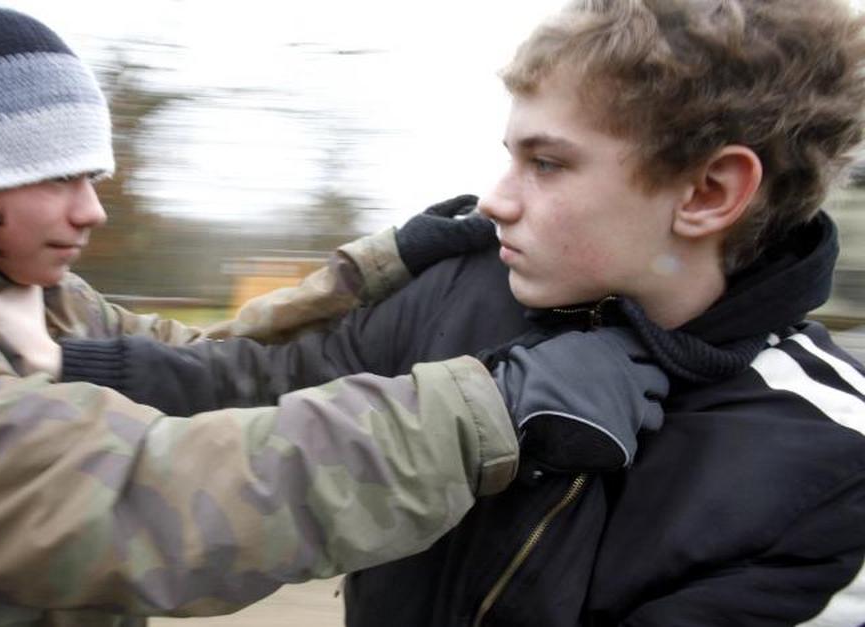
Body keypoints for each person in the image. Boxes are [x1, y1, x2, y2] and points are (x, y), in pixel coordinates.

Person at [0, 5, 666, 626]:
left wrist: (380, 266)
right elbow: (135, 496)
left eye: (93, 177)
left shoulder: (35, 294)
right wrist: (485, 413)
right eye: (59, 177)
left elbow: (210, 371)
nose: (90, 211)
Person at [45, 0, 865, 624]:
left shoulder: (828, 453)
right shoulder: (466, 285)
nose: (495, 200)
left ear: (709, 192)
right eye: (511, 156)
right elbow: (256, 384)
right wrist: (55, 359)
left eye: (547, 163)